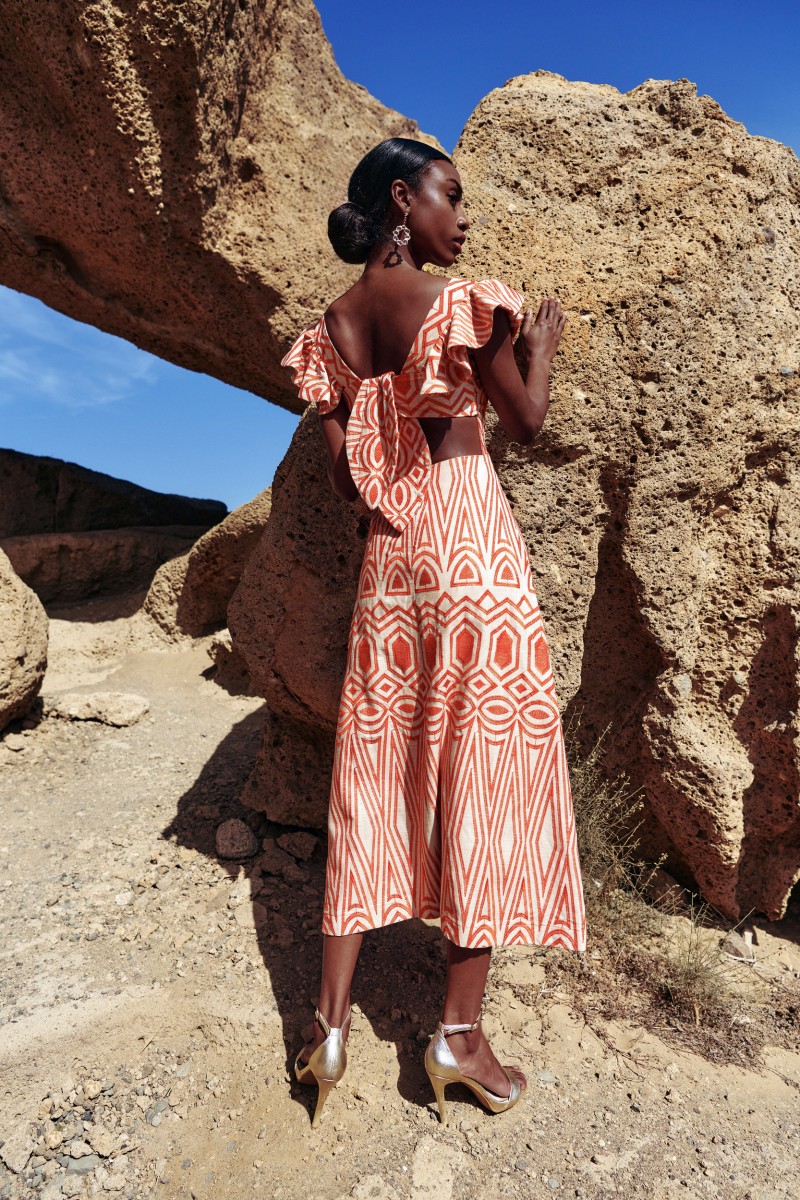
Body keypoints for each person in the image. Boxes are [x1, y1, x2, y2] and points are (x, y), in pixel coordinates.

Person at [280, 137, 586, 1128]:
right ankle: (455, 1037)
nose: (465, 219)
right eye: (452, 199)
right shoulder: (461, 305)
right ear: (404, 201)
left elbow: (344, 479)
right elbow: (526, 423)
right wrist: (536, 354)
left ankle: (326, 1025)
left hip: (391, 557)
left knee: (370, 770)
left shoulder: (329, 330)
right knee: (484, 768)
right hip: (466, 541)